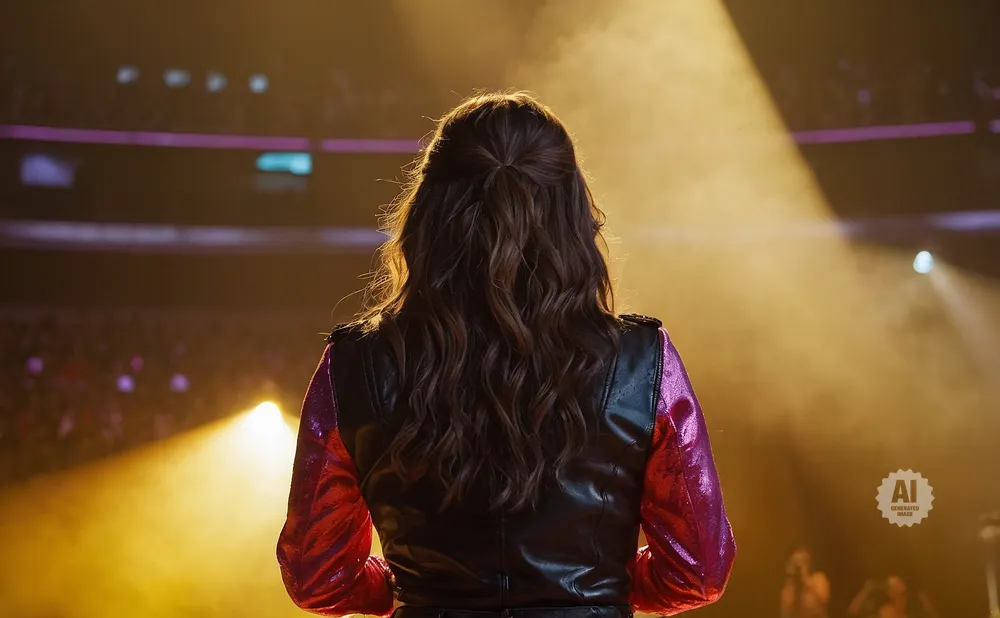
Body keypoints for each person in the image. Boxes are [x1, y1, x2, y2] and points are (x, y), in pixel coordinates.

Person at [276, 92, 736, 617]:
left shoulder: (353, 366)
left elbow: (316, 578)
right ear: (573, 217)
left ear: (428, 217)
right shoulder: (642, 364)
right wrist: (602, 589)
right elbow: (700, 571)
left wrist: (407, 590)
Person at [848, 575, 938, 618]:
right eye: (896, 583)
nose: (901, 584)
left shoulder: (912, 607)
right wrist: (865, 592)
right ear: (890, 592)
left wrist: (926, 603)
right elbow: (853, 611)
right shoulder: (884, 612)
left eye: (900, 581)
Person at [780, 548, 830, 618]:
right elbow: (786, 612)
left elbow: (824, 598)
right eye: (796, 562)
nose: (799, 565)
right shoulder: (789, 587)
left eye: (802, 561)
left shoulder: (818, 578)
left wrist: (805, 579)